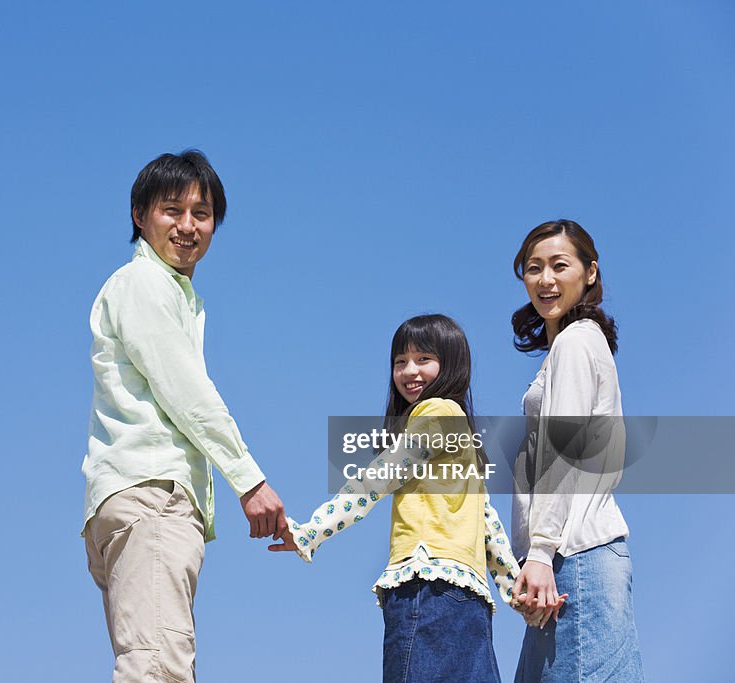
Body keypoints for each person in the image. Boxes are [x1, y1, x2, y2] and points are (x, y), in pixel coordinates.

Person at [82, 150, 287, 682]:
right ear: (139, 214)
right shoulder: (142, 285)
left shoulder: (176, 295)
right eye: (172, 209)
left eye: (202, 213)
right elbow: (185, 391)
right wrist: (249, 479)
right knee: (159, 667)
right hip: (151, 495)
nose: (187, 225)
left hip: (137, 497)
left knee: (154, 658)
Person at [270, 314, 548, 682]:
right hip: (470, 601)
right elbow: (488, 528)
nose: (408, 371)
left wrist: (311, 532)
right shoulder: (461, 431)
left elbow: (375, 481)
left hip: (427, 588)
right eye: (400, 362)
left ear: (451, 364)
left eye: (423, 359)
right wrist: (517, 592)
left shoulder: (436, 412)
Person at [510, 219, 644, 681]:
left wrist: (541, 554)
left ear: (589, 272)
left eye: (559, 265)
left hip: (576, 557)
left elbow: (560, 452)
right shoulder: (573, 347)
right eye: (533, 268)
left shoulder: (575, 341)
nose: (545, 279)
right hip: (569, 561)